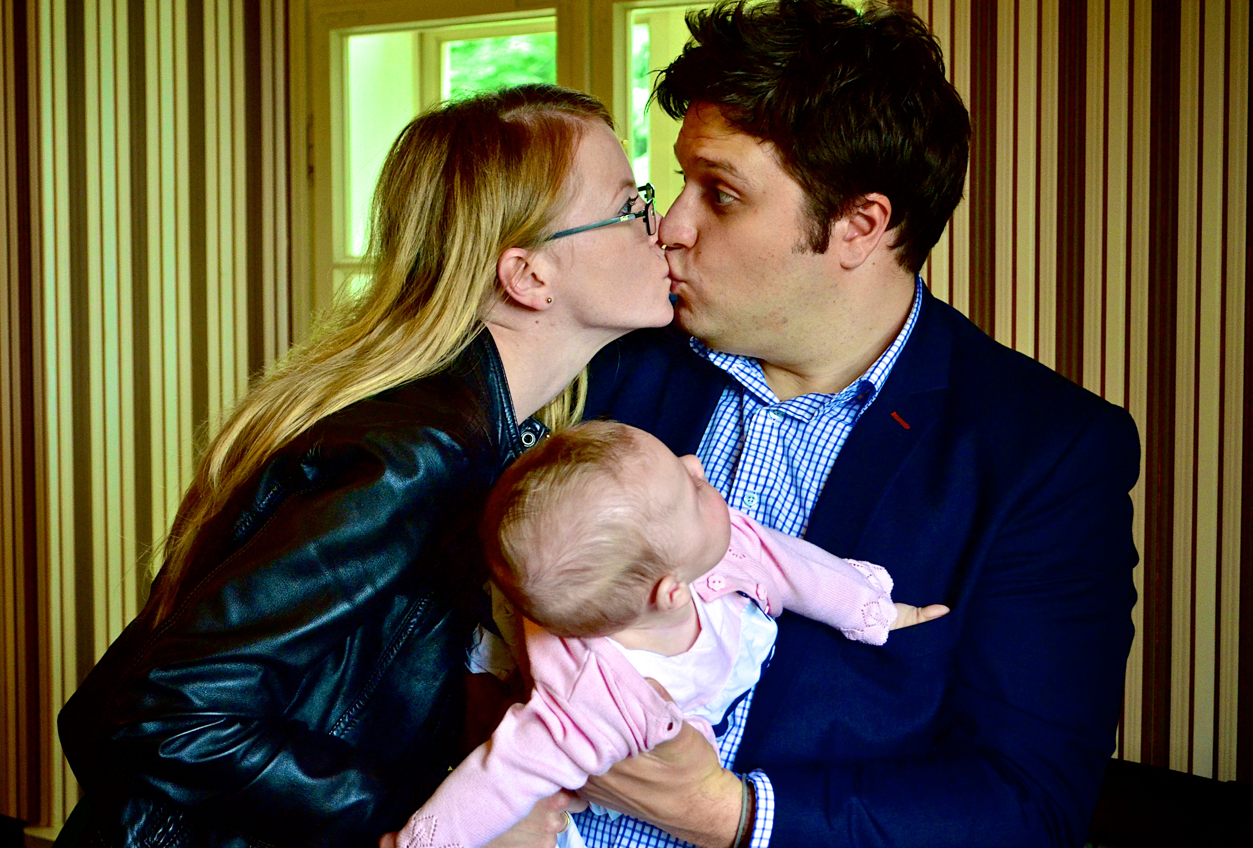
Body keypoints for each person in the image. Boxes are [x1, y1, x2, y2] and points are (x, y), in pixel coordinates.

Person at [575, 2, 1141, 847]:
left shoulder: (1043, 456)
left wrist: (725, 814)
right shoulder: (614, 365)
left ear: (859, 226)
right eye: (679, 183)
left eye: (720, 194)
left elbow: (1026, 801)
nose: (671, 228)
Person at [56, 84, 674, 848]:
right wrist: (428, 823)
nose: (663, 228)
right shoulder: (414, 456)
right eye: (630, 206)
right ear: (529, 277)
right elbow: (172, 714)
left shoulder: (490, 436)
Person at [387, 420, 948, 848]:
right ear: (671, 591)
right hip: (645, 715)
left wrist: (878, 613)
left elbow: (797, 569)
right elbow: (497, 776)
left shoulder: (719, 550)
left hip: (693, 659)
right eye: (692, 487)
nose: (695, 463)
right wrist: (420, 842)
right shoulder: (587, 706)